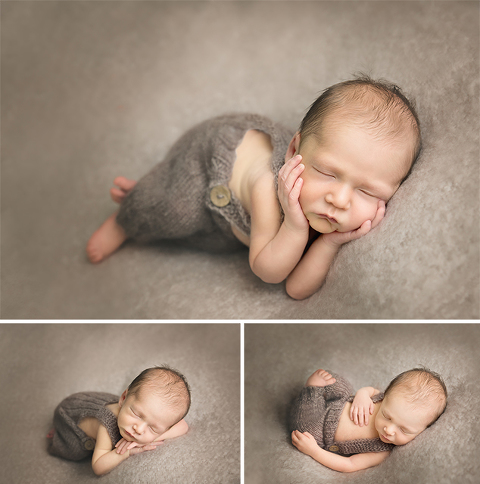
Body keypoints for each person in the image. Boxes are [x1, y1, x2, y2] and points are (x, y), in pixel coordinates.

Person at [86, 75, 421, 299]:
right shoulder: (269, 187)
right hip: (213, 158)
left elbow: (296, 289)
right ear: (294, 152)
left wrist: (330, 243)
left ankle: (157, 185)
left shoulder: (323, 202)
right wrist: (293, 223)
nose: (340, 199)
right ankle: (127, 216)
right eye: (327, 173)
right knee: (172, 210)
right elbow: (268, 270)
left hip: (238, 193)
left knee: (209, 233)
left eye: (367, 192)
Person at [290, 368, 447, 472]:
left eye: (404, 430)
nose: (389, 430)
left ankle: (312, 390)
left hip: (321, 431)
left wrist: (314, 451)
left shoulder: (381, 451)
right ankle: (322, 387)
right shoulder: (382, 398)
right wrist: (363, 395)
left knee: (305, 428)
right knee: (343, 386)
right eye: (387, 416)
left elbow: (349, 465)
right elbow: (370, 390)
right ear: (386, 397)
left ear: (423, 430)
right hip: (340, 402)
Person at [47, 366, 190, 475]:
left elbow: (183, 426)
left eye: (153, 427)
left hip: (97, 407)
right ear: (123, 398)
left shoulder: (142, 410)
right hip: (69, 417)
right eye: (137, 414)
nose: (138, 429)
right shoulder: (106, 424)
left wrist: (150, 438)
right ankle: (58, 435)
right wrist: (126, 451)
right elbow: (98, 466)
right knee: (75, 451)